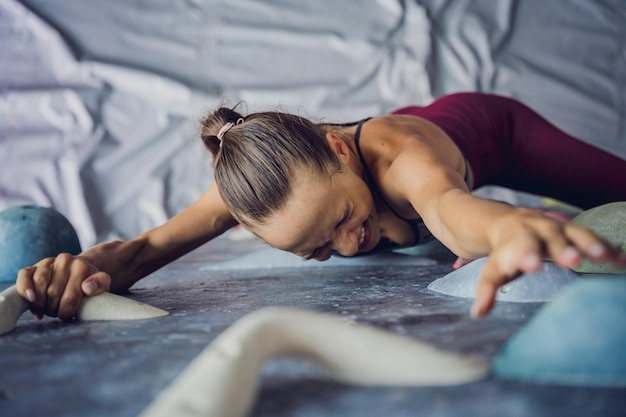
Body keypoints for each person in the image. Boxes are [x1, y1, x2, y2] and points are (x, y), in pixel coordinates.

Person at [15, 92, 626, 321]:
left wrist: (509, 226)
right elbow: (145, 250)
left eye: (340, 220)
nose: (349, 246)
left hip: (500, 132)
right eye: (317, 250)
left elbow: (448, 211)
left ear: (338, 148)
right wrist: (73, 273)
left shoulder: (401, 161)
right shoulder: (260, 190)